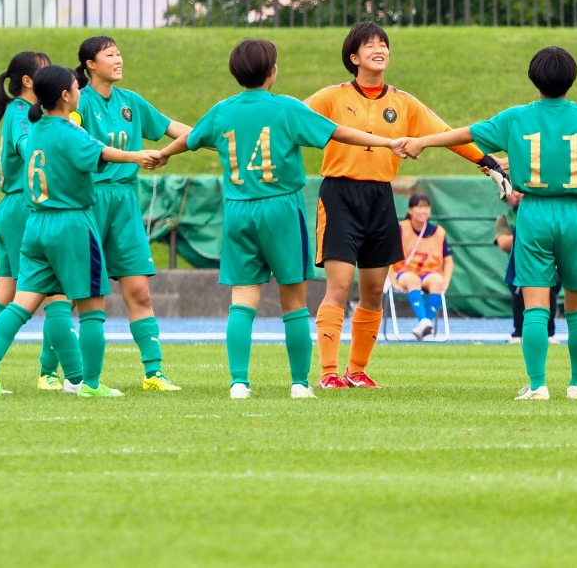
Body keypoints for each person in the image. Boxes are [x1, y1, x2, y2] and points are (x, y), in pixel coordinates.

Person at [396, 46, 577, 401]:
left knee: (536, 304)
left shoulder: (516, 117)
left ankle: (538, 385)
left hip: (534, 213)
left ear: (533, 79)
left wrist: (422, 141)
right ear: (572, 80)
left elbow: (464, 134)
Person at [149, 38, 401, 398]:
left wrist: (163, 154)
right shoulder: (285, 108)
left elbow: (191, 138)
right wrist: (383, 142)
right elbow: (336, 132)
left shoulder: (223, 110)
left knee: (243, 300)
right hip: (281, 208)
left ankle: (238, 382)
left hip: (238, 211)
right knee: (294, 302)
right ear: (272, 71)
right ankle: (299, 383)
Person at [304, 22, 508, 389]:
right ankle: (328, 373)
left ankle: (357, 371)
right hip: (339, 195)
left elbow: (447, 134)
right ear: (354, 57)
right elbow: (291, 123)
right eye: (369, 45)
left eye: (383, 44)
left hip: (380, 198)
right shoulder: (330, 98)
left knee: (371, 290)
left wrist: (485, 161)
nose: (379, 49)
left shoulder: (403, 102)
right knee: (339, 286)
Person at [0, 65, 159, 398]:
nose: (79, 91)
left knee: (20, 305)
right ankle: (91, 384)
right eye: (75, 87)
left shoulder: (36, 127)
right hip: (72, 224)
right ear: (65, 96)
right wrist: (136, 156)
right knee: (91, 308)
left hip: (36, 225)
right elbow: (101, 153)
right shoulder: (70, 131)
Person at [74, 36, 193, 391]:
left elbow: (179, 131)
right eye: (110, 54)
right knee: (77, 293)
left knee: (140, 291)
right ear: (90, 65)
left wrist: (212, 136)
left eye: (119, 53)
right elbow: (79, 144)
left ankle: (154, 373)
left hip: (126, 202)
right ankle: (59, 372)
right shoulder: (78, 102)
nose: (118, 59)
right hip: (89, 200)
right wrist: (139, 155)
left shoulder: (132, 102)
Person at [0, 51, 84, 396]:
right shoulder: (21, 115)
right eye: (44, 72)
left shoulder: (22, 113)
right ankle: (76, 378)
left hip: (11, 207)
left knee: (4, 297)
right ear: (28, 81)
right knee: (55, 295)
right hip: (25, 209)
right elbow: (32, 148)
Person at [495, 184, 559, 342]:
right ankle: (519, 332)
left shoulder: (542, 211)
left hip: (545, 262)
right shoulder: (505, 219)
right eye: (512, 192)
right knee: (519, 293)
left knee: (550, 290)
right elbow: (503, 243)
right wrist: (525, 234)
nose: (516, 194)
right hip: (520, 264)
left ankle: (549, 332)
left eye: (519, 190)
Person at [390, 194, 453, 340]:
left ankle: (425, 324)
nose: (423, 211)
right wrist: (393, 281)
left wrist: (446, 281)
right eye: (419, 207)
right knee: (413, 281)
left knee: (437, 282)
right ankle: (425, 322)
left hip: (429, 273)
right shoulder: (401, 229)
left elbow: (448, 260)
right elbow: (388, 256)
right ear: (410, 210)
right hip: (405, 272)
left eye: (426, 207)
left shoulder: (439, 232)